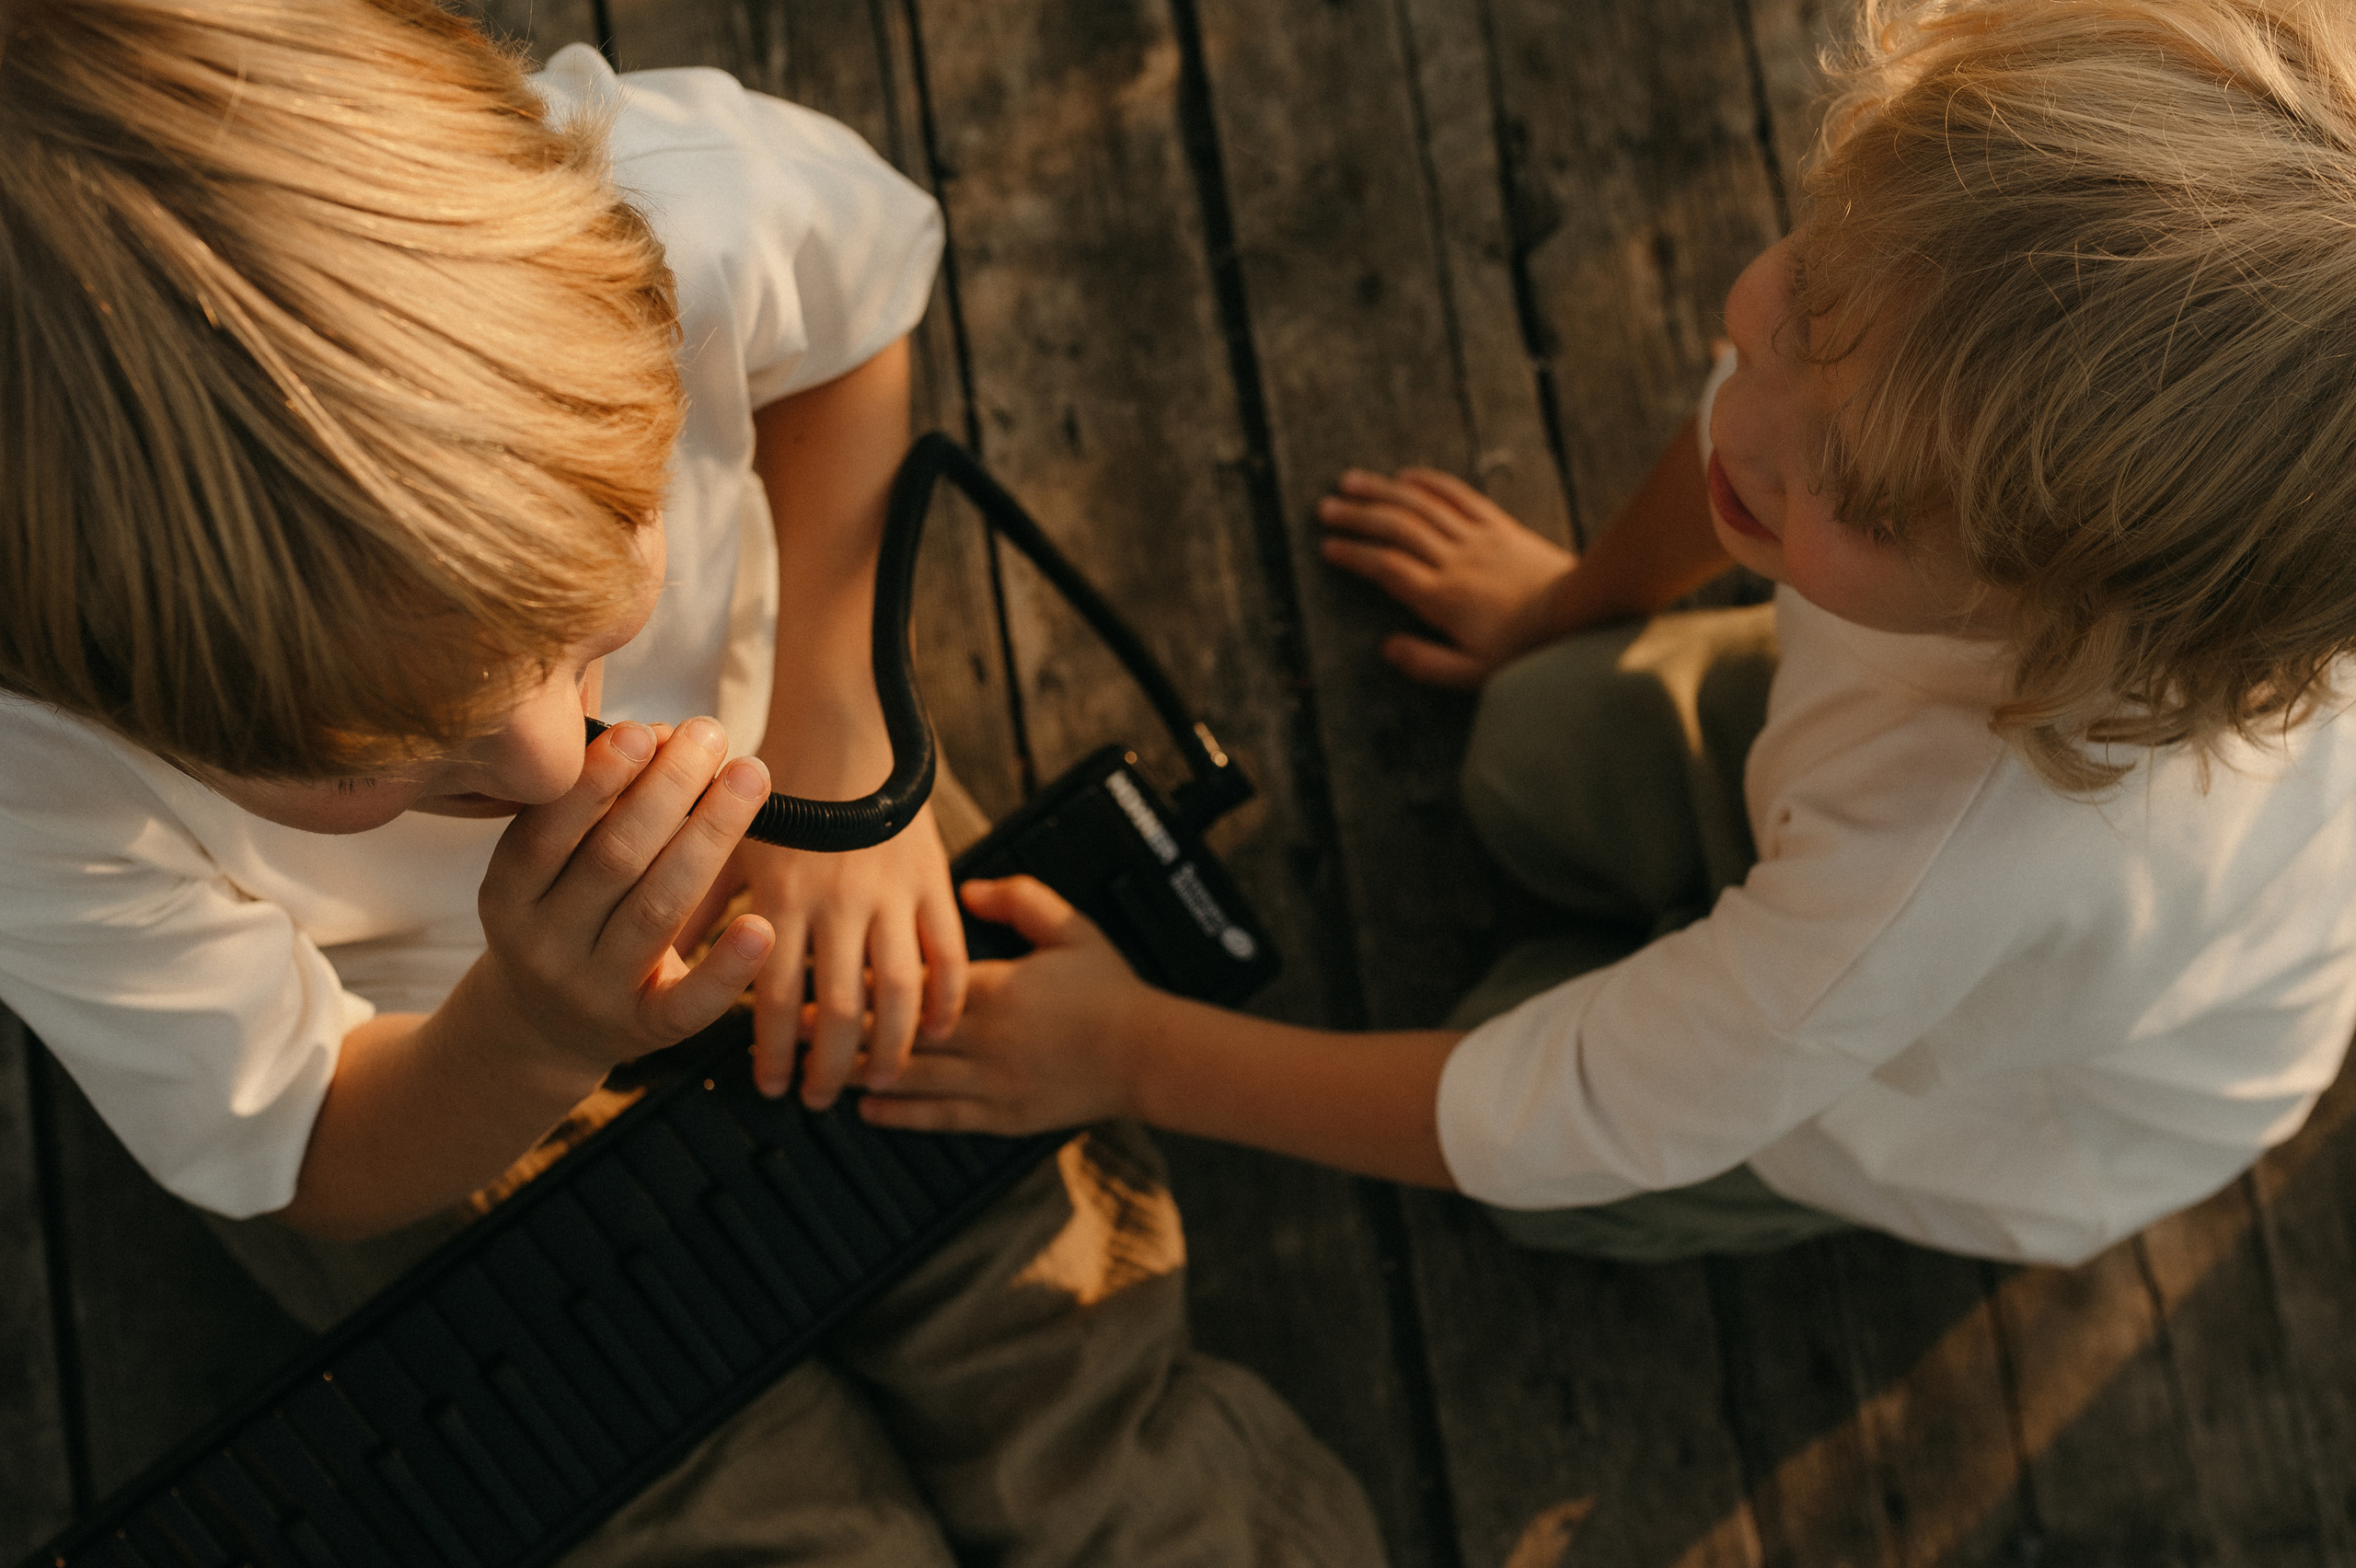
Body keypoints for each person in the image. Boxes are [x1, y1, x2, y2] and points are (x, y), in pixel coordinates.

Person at [0, 1, 1384, 1561]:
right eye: (381, 758)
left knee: (1064, 1369)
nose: (542, 763)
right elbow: (312, 1142)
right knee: (700, 1498)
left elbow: (852, 309)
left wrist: (841, 735)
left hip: (807, 845)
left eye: (578, 620)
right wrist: (532, 1030)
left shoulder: (618, 222)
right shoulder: (28, 783)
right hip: (422, 1077)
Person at [863, 0, 2356, 1269]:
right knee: (1529, 743)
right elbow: (1750, 419)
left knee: (1532, 1120)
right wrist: (1560, 605)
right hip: (1881, 844)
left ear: (2073, 623)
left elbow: (1570, 1111)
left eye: (1871, 503)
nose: (1753, 433)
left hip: (1981, 1102)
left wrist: (1130, 1053)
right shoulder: (1914, 379)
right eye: (1803, 298)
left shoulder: (1950, 852)